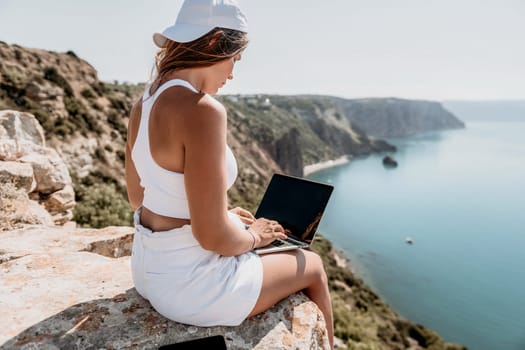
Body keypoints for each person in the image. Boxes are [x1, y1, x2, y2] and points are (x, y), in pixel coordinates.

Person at [125, 0, 333, 347]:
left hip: (148, 270)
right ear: (213, 42)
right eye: (234, 59)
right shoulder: (203, 111)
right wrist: (254, 235)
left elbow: (139, 198)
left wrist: (220, 215)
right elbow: (213, 240)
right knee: (311, 264)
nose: (233, 74)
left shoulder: (143, 103)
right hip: (190, 286)